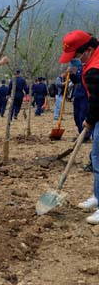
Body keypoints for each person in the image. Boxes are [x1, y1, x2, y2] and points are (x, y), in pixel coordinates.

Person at [58, 30, 99, 224]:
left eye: (75, 56)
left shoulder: (94, 68)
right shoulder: (93, 58)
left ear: (88, 49)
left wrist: (90, 120)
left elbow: (97, 100)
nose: (74, 60)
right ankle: (98, 196)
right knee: (96, 157)